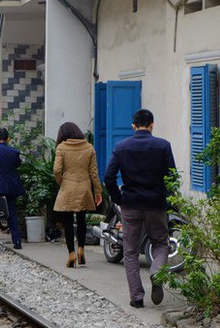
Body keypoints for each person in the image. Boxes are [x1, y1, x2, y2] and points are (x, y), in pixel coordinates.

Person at [104, 109, 176, 309]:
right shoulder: (163, 146)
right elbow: (172, 177)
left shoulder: (121, 147)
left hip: (131, 205)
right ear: (152, 125)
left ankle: (136, 297)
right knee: (161, 244)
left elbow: (109, 176)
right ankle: (155, 272)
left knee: (130, 252)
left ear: (133, 126)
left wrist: (118, 198)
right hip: (156, 205)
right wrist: (168, 199)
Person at [52, 122, 102, 268]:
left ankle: (71, 254)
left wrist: (61, 181)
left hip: (68, 187)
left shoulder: (62, 147)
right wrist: (98, 192)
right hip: (84, 188)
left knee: (68, 221)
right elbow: (94, 173)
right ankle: (81, 250)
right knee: (81, 220)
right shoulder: (89, 148)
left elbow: (56, 169)